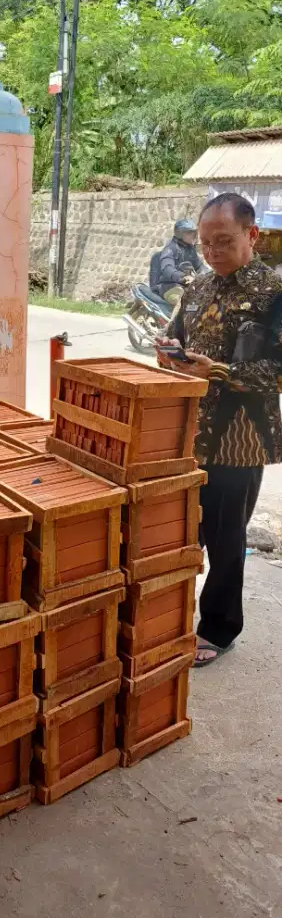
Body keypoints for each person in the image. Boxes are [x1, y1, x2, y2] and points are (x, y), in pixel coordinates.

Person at [156, 192, 282, 667]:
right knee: (182, 532)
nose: (212, 252)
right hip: (189, 429)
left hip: (240, 439)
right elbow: (179, 337)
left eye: (223, 241)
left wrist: (220, 371)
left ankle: (218, 629)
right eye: (206, 243)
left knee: (227, 538)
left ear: (251, 235)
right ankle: (167, 618)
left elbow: (279, 369)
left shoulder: (274, 294)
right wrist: (169, 350)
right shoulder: (199, 287)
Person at [150, 218, 206, 305]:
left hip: (183, 285)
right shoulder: (170, 248)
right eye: (189, 233)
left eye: (193, 232)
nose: (193, 235)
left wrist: (211, 274)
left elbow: (199, 266)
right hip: (167, 286)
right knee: (182, 301)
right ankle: (174, 319)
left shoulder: (190, 249)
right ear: (179, 234)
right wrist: (183, 277)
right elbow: (167, 268)